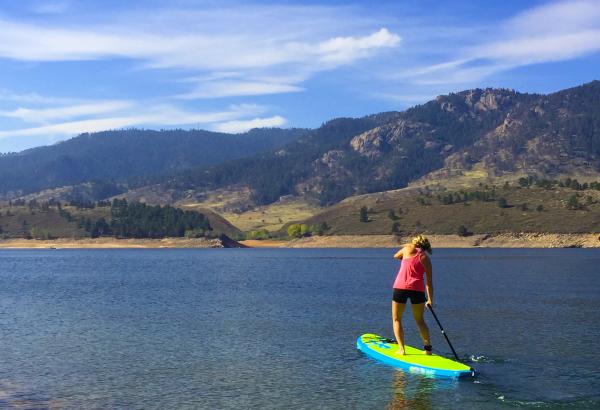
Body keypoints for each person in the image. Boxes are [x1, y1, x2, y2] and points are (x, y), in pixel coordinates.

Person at [391, 235, 433, 355]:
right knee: (420, 320)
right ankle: (428, 349)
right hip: (417, 290)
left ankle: (401, 349)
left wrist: (405, 260)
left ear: (415, 242)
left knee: (397, 319)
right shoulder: (425, 258)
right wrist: (430, 300)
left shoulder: (406, 248)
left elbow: (395, 256)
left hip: (400, 287)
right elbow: (429, 283)